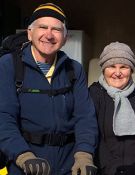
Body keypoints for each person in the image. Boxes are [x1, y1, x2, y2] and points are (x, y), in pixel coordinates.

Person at [0, 3, 98, 175]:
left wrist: (84, 155)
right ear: (30, 33)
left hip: (68, 166)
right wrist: (23, 156)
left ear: (65, 38)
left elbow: (85, 117)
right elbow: (4, 117)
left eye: (56, 29)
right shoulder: (9, 65)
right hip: (25, 165)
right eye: (43, 27)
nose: (49, 35)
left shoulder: (74, 69)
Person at [89, 42, 135, 175]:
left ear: (131, 70)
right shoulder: (92, 95)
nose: (118, 73)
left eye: (124, 67)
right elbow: (88, 134)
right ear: (103, 69)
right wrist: (107, 168)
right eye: (112, 66)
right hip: (104, 171)